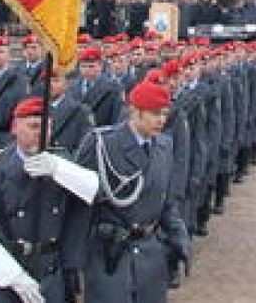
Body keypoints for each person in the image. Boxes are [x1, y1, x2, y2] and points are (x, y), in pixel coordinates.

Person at [0, 96, 97, 303]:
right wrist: (14, 277)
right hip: (3, 272)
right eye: (33, 126)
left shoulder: (62, 163)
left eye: (47, 128)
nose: (41, 134)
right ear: (14, 127)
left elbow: (94, 190)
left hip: (48, 270)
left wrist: (59, 169)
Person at [73, 78, 191, 302]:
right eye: (155, 114)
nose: (162, 120)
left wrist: (179, 238)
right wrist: (74, 259)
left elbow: (164, 202)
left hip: (150, 253)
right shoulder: (102, 144)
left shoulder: (164, 146)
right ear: (135, 112)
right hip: (109, 255)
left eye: (164, 114)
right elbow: (80, 202)